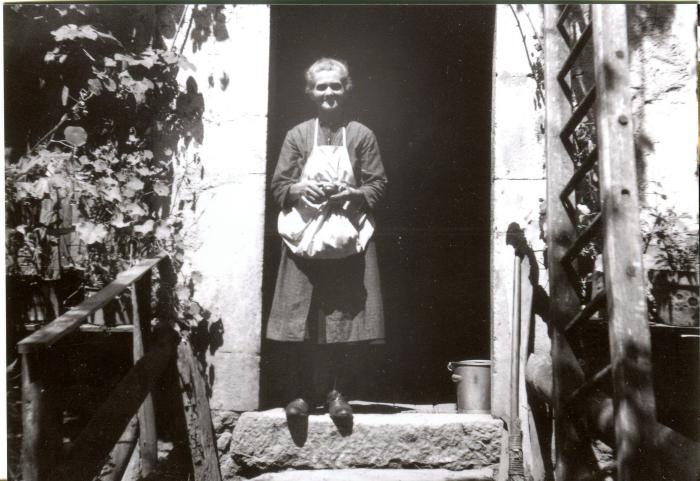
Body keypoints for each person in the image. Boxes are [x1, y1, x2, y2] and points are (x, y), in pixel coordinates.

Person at [267, 58, 387, 424]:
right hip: (305, 239)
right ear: (310, 92)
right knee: (301, 316)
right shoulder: (298, 135)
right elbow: (278, 187)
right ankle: (301, 395)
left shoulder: (362, 135)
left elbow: (378, 184)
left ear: (346, 89)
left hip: (347, 237)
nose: (329, 93)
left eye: (336, 86)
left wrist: (353, 194)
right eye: (321, 87)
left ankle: (337, 394)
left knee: (343, 319)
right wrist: (300, 189)